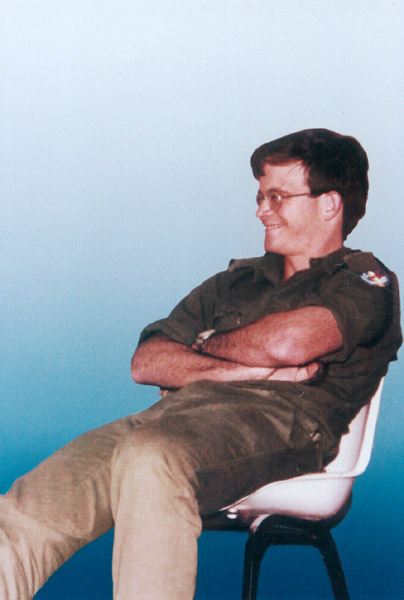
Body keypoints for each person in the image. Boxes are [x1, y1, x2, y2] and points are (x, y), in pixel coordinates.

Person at [0, 128, 401, 599]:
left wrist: (203, 346)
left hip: (281, 424)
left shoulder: (363, 282)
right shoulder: (235, 282)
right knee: (30, 505)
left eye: (277, 197)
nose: (261, 210)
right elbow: (147, 362)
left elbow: (290, 343)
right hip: (171, 419)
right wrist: (247, 367)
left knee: (151, 459)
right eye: (260, 196)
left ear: (330, 204)